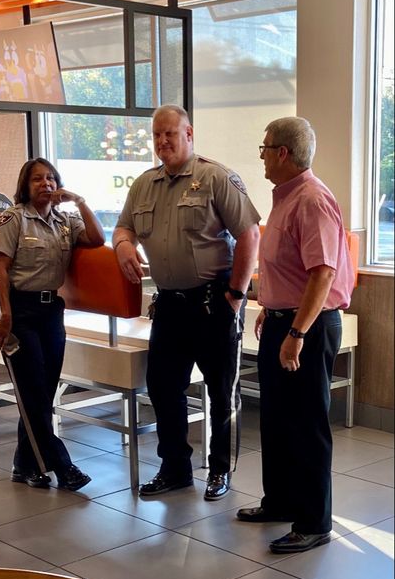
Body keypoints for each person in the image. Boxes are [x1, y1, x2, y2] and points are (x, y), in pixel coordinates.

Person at [113, 105, 260, 500]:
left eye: (170, 134)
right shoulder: (144, 184)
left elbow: (249, 234)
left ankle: (219, 470)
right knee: (163, 387)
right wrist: (124, 245)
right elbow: (123, 226)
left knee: (221, 390)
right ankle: (175, 467)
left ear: (189, 134)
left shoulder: (216, 177)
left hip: (215, 302)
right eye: (157, 134)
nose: (162, 141)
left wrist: (236, 295)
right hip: (170, 305)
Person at [236, 117, 355, 553]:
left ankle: (313, 521)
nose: (263, 155)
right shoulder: (286, 197)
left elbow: (323, 273)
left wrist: (298, 332)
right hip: (284, 320)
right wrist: (271, 307)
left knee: (306, 424)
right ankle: (281, 501)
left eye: (265, 148)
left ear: (283, 153)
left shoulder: (311, 199)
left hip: (308, 326)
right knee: (278, 419)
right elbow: (288, 266)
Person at [0, 158, 105, 491]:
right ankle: (63, 466)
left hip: (51, 312)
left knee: (42, 392)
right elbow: (0, 270)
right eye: (38, 179)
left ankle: (23, 464)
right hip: (20, 311)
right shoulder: (14, 218)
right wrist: (5, 314)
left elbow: (97, 239)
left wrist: (80, 202)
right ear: (26, 185)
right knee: (33, 390)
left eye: (52, 178)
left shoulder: (65, 221)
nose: (46, 184)